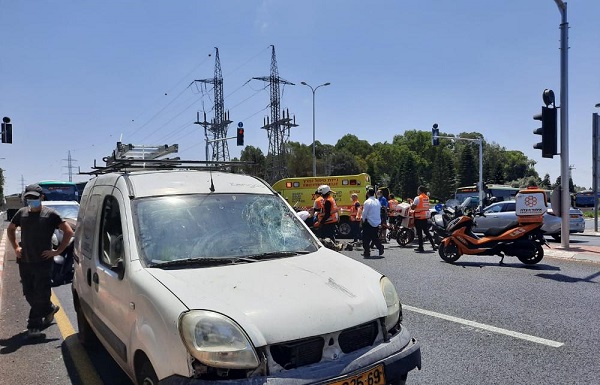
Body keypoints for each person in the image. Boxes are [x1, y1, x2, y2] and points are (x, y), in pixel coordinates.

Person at [7, 184, 74, 338]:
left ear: (41, 197)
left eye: (34, 198)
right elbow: (11, 229)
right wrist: (16, 247)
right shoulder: (21, 213)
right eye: (28, 198)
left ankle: (34, 324)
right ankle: (49, 308)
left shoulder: (50, 214)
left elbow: (68, 231)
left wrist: (57, 251)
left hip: (43, 262)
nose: (32, 201)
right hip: (24, 261)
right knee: (28, 292)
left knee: (41, 292)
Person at [411, 185, 437, 253]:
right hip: (425, 217)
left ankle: (421, 247)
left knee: (419, 233)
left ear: (420, 190)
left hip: (418, 217)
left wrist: (411, 203)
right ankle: (433, 245)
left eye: (418, 190)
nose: (417, 191)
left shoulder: (417, 198)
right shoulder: (427, 198)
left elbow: (413, 208)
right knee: (426, 232)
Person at [361, 188, 384, 258]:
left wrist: (362, 221)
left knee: (365, 238)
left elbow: (364, 213)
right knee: (374, 237)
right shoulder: (377, 201)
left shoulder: (367, 202)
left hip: (369, 222)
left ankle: (367, 252)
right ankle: (380, 247)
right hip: (376, 221)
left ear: (367, 193)